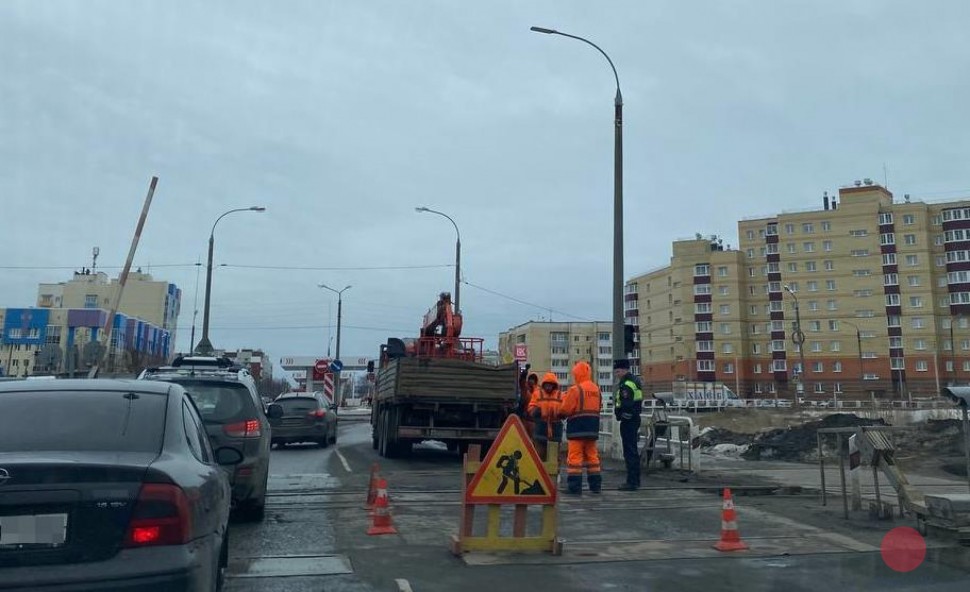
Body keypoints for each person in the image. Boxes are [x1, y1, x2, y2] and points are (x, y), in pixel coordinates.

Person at [558, 361, 601, 495]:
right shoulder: (597, 389)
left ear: (576, 374)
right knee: (592, 457)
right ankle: (595, 486)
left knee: (575, 458)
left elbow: (566, 409)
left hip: (577, 428)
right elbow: (599, 407)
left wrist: (560, 414)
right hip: (593, 428)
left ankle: (575, 487)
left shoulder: (575, 390)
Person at [613, 359, 644, 491]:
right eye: (616, 371)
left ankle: (631, 482)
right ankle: (635, 480)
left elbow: (627, 404)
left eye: (618, 371)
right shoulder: (634, 381)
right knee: (632, 450)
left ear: (625, 370)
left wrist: (622, 415)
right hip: (634, 419)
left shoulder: (627, 384)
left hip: (628, 421)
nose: (617, 374)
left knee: (629, 451)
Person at [528, 372, 563, 462]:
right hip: (540, 429)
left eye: (550, 385)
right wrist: (539, 412)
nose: (548, 387)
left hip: (555, 430)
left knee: (554, 459)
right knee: (539, 457)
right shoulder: (537, 394)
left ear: (554, 385)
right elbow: (531, 409)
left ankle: (554, 475)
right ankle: (539, 475)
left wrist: (560, 413)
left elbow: (565, 409)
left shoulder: (560, 395)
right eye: (547, 385)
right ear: (544, 384)